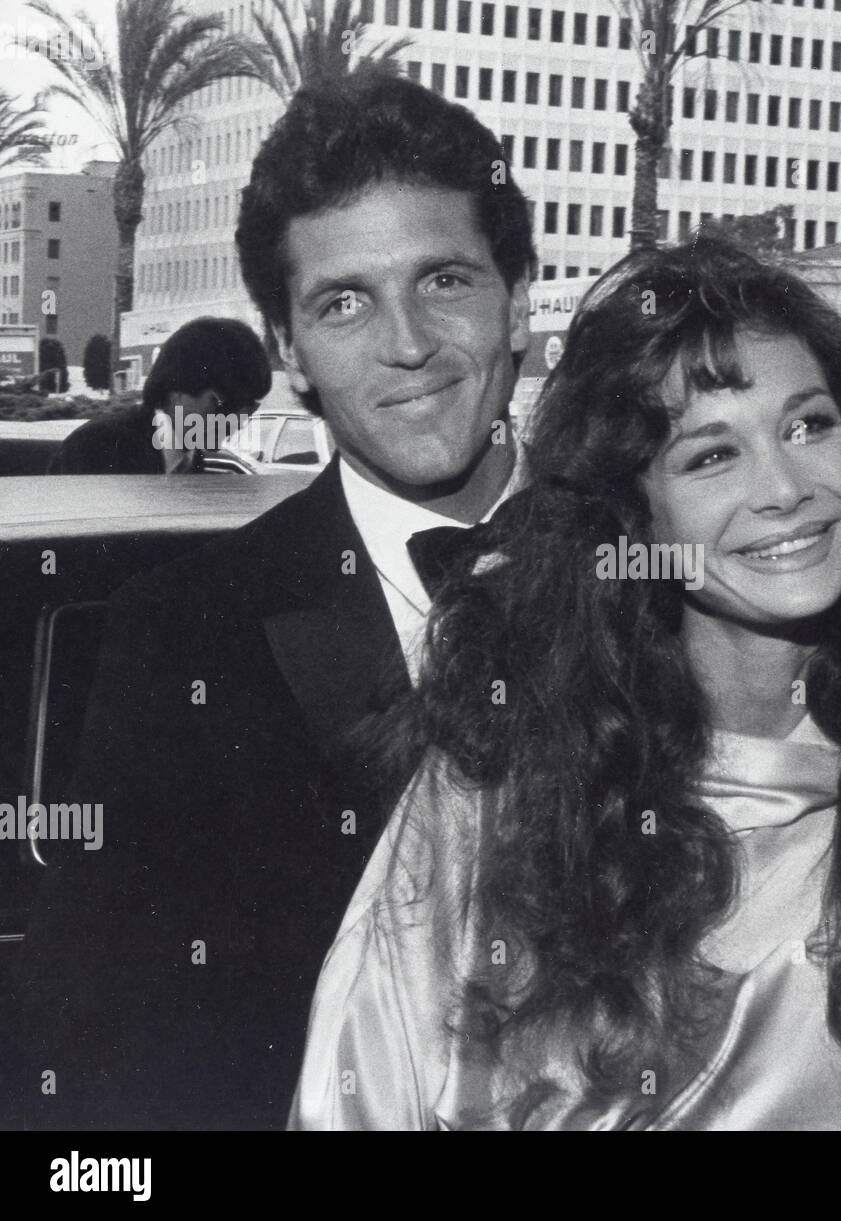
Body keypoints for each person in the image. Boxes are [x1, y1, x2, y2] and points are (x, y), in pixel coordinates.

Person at [290, 236, 841, 1131]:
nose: (785, 487)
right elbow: (362, 1089)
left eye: (810, 424)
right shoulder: (501, 785)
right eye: (711, 455)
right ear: (633, 515)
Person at [18, 70, 535, 1130]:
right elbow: (98, 1046)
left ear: (519, 298)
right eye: (342, 301)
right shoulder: (179, 634)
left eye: (444, 280)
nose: (406, 343)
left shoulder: (671, 587)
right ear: (290, 352)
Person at [47, 317, 271, 474]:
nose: (234, 422)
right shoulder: (96, 449)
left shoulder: (202, 465)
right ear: (176, 391)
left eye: (248, 410)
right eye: (222, 405)